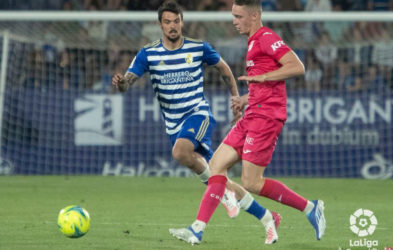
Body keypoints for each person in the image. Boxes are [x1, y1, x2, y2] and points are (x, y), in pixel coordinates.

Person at [169, 0, 326, 245]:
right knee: (216, 165)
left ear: (253, 16)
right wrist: (245, 98)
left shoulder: (266, 37)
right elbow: (266, 86)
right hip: (253, 112)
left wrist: (262, 77)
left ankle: (310, 208)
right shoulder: (253, 41)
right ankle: (197, 229)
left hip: (266, 118)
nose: (234, 21)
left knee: (251, 183)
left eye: (238, 16)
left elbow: (297, 66)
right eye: (233, 15)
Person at [112, 0, 273, 223]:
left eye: (176, 21)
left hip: (198, 115)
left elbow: (224, 69)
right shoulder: (148, 54)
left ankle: (224, 196)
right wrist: (120, 82)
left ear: (182, 22)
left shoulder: (198, 47)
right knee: (219, 178)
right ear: (160, 24)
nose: (173, 26)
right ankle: (266, 217)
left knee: (179, 152)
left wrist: (236, 98)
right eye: (168, 22)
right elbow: (127, 83)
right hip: (174, 125)